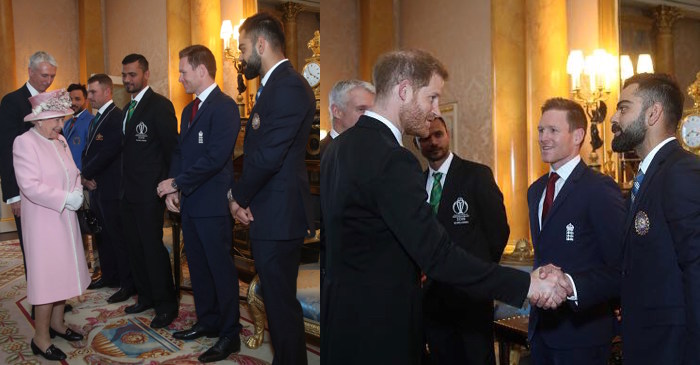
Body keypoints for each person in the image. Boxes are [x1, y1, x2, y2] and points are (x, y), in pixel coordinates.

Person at [320, 49, 570, 365]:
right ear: (404, 90)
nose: (435, 109)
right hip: (381, 330)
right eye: (433, 97)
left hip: (341, 323)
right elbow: (437, 256)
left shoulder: (337, 148)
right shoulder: (394, 160)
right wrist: (526, 283)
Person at [560, 73, 700, 365]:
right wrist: (568, 285)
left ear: (653, 113)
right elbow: (629, 270)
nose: (614, 118)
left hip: (674, 351)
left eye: (624, 108)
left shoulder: (680, 172)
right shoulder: (648, 177)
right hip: (646, 347)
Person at [227, 12, 315, 364]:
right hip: (269, 212)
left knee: (281, 308)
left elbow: (267, 158)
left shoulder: (289, 86)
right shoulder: (272, 87)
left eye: (244, 47)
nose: (242, 56)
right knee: (278, 305)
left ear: (261, 45)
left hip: (279, 216)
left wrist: (237, 196)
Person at [157, 45, 242, 363]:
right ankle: (207, 321)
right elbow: (180, 152)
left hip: (212, 205)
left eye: (183, 71)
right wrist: (175, 189)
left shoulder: (224, 107)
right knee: (198, 267)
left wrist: (177, 183)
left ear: (202, 70)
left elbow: (214, 158)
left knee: (220, 269)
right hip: (190, 204)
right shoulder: (188, 110)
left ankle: (230, 334)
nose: (179, 78)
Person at [527, 97, 625, 365]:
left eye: (553, 130)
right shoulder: (535, 191)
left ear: (578, 135)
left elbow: (622, 268)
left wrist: (570, 285)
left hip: (583, 336)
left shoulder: (599, 189)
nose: (543, 138)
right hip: (541, 333)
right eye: (540, 130)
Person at [417, 116, 509, 365]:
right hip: (431, 300)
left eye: (438, 134)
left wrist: (478, 274)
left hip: (471, 298)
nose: (433, 142)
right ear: (416, 143)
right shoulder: (414, 184)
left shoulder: (476, 175)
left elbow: (498, 232)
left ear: (448, 135)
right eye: (425, 138)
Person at [13, 89, 89, 361]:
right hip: (44, 221)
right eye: (55, 120)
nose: (61, 125)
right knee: (47, 280)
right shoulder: (24, 143)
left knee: (64, 273)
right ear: (38, 120)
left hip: (65, 219)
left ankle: (58, 324)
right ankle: (40, 337)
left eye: (61, 119)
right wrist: (65, 198)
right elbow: (30, 186)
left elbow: (74, 171)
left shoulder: (60, 141)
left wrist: (77, 192)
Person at [120, 53, 178, 328]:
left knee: (153, 249)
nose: (127, 79)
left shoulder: (160, 106)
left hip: (149, 193)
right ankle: (146, 296)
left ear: (145, 75)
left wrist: (169, 188)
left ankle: (166, 305)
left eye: (132, 74)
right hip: (127, 193)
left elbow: (171, 150)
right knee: (135, 247)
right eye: (124, 75)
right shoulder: (125, 110)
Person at [0, 51, 57, 275]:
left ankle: (55, 295)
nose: (48, 80)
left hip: (51, 188)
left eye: (52, 76)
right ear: (30, 71)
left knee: (52, 245)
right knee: (33, 247)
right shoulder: (12, 101)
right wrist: (13, 194)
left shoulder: (52, 101)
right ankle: (39, 303)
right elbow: (6, 150)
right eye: (44, 75)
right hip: (25, 189)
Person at [81, 73, 134, 303]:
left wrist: (86, 174)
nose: (89, 96)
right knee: (102, 236)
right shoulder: (96, 119)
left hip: (112, 187)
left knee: (118, 237)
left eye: (93, 92)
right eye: (88, 92)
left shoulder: (116, 117)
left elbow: (108, 152)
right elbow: (90, 152)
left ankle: (126, 283)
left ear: (107, 92)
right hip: (97, 187)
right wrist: (87, 178)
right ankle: (109, 275)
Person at [321, 79, 375, 155]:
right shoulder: (322, 154)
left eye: (372, 110)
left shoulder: (378, 151)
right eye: (361, 109)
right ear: (337, 111)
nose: (371, 116)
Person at [63, 83, 92, 169]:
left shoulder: (92, 121)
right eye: (70, 99)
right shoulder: (66, 123)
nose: (73, 103)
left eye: (77, 99)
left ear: (86, 101)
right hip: (67, 173)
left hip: (83, 176)